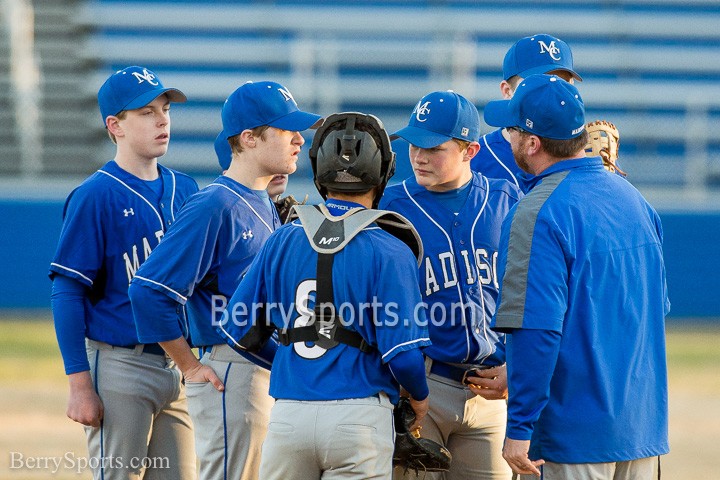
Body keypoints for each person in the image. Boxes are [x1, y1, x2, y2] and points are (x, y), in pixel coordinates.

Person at [216, 112, 432, 480]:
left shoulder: (282, 238)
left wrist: (293, 360)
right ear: (383, 171)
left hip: (288, 417)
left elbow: (238, 331)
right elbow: (406, 359)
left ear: (319, 168)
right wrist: (420, 399)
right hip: (358, 419)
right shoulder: (390, 249)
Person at [128, 81, 321, 480]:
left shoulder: (263, 202)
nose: (300, 140)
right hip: (231, 370)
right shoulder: (215, 202)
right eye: (287, 131)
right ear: (249, 138)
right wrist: (189, 366)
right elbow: (148, 290)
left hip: (264, 367)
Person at [485, 74, 669, 479]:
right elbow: (654, 308)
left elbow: (536, 329)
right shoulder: (635, 199)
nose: (507, 138)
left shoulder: (535, 212)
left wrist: (519, 425)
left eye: (512, 130)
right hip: (642, 427)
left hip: (572, 435)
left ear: (532, 143)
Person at [49, 65, 198, 479]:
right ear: (115, 125)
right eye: (147, 111)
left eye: (165, 108)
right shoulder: (95, 195)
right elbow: (67, 293)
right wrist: (79, 384)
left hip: (179, 366)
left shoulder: (186, 190)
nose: (163, 119)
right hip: (120, 366)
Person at [379, 91, 522, 480]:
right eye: (414, 144)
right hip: (422, 386)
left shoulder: (508, 200)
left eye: (434, 147)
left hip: (492, 391)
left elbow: (533, 292)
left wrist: (519, 364)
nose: (419, 156)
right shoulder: (389, 207)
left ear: (470, 150)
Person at [472, 33, 581, 193]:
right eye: (536, 83)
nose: (552, 89)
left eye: (563, 83)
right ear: (507, 91)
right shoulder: (475, 160)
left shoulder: (590, 156)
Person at [214, 131, 289, 200]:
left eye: (280, 156)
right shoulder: (224, 211)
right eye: (262, 160)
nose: (276, 167)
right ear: (229, 174)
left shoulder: (295, 212)